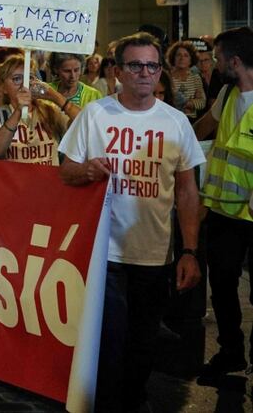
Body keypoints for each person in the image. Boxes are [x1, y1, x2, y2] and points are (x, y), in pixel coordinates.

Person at [59, 33, 203, 411]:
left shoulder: (175, 123)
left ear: (161, 72)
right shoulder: (96, 114)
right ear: (119, 71)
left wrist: (189, 251)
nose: (144, 73)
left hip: (154, 255)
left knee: (143, 342)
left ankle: (133, 399)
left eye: (152, 66)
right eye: (135, 65)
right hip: (103, 253)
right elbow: (66, 171)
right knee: (108, 342)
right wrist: (87, 169)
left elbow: (188, 192)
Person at [194, 27, 253, 379]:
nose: (214, 64)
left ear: (234, 61)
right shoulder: (228, 94)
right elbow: (203, 128)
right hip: (222, 212)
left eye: (217, 58)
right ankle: (231, 352)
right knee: (224, 287)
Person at [0, 55, 78, 165]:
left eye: (30, 78)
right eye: (17, 79)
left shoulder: (50, 110)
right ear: (4, 88)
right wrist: (18, 110)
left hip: (48, 179)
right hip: (14, 181)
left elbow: (86, 123)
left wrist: (55, 97)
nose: (25, 85)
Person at [166, 40, 205, 120]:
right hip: (171, 118)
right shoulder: (167, 77)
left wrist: (189, 104)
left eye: (186, 55)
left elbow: (202, 102)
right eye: (178, 55)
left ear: (191, 60)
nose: (182, 58)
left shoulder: (195, 78)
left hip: (190, 120)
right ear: (173, 58)